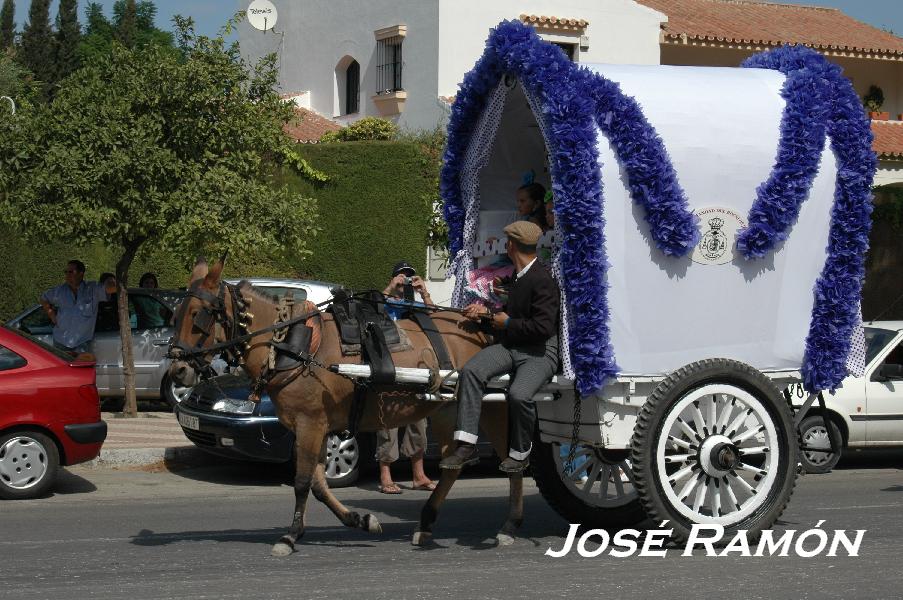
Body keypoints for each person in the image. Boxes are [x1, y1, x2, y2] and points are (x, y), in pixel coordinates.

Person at [440, 221, 560, 473]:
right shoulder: (519, 277)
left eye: (507, 242)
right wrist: (484, 316)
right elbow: (508, 318)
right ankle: (466, 444)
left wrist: (507, 322)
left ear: (511, 245)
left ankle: (520, 453)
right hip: (513, 345)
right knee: (471, 371)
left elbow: (544, 327)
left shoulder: (542, 279)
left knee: (519, 394)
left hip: (539, 353)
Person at [375, 261, 437, 494]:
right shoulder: (384, 302)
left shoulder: (416, 305)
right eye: (402, 276)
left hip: (417, 370)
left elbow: (435, 319)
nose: (406, 281)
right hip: (392, 368)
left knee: (418, 422)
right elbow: (370, 311)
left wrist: (424, 292)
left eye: (410, 276)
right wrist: (390, 287)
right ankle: (385, 477)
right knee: (388, 422)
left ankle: (419, 476)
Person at [40, 260, 117, 354]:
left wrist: (109, 278)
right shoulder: (59, 291)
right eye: (66, 272)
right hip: (60, 342)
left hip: (82, 344)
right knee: (61, 369)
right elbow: (44, 298)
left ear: (81, 273)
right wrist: (51, 315)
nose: (67, 275)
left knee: (81, 369)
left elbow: (112, 288)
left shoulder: (92, 289)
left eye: (71, 272)